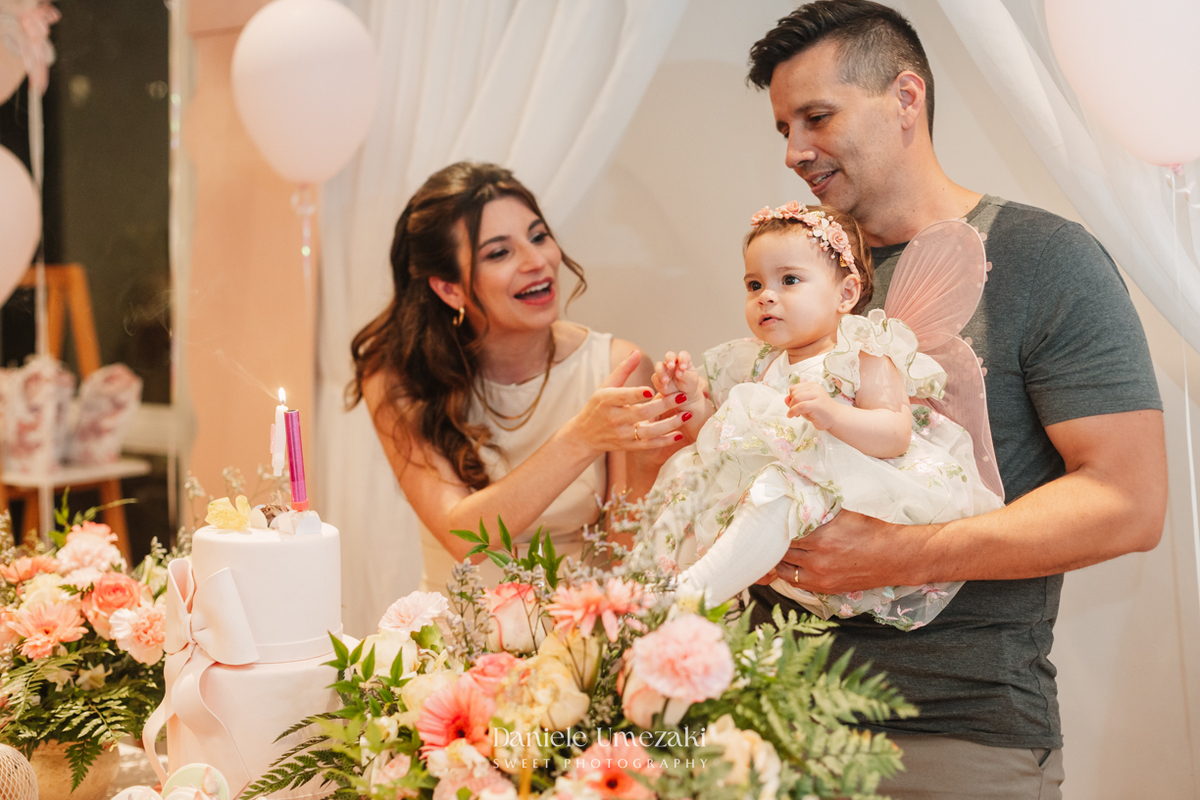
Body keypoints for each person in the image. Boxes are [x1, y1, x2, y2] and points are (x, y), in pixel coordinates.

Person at [743, 2, 1166, 798]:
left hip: (955, 738)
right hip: (774, 727)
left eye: (817, 117)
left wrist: (899, 554)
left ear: (906, 98)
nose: (796, 150)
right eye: (783, 128)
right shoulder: (800, 273)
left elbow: (1129, 500)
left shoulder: (1044, 258)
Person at [647, 202, 1001, 630]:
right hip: (783, 528)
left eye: (789, 280)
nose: (766, 295)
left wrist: (834, 416)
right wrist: (689, 402)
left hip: (850, 493)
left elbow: (894, 433)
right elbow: (719, 439)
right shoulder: (758, 363)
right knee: (694, 486)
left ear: (846, 294)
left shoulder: (863, 351)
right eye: (754, 284)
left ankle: (690, 596)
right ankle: (654, 592)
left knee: (780, 486)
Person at [347, 162, 686, 592]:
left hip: (581, 633)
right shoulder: (399, 379)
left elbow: (625, 549)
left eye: (539, 236)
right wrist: (581, 438)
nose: (537, 261)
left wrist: (665, 455)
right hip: (456, 640)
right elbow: (462, 537)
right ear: (449, 289)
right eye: (499, 252)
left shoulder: (616, 368)